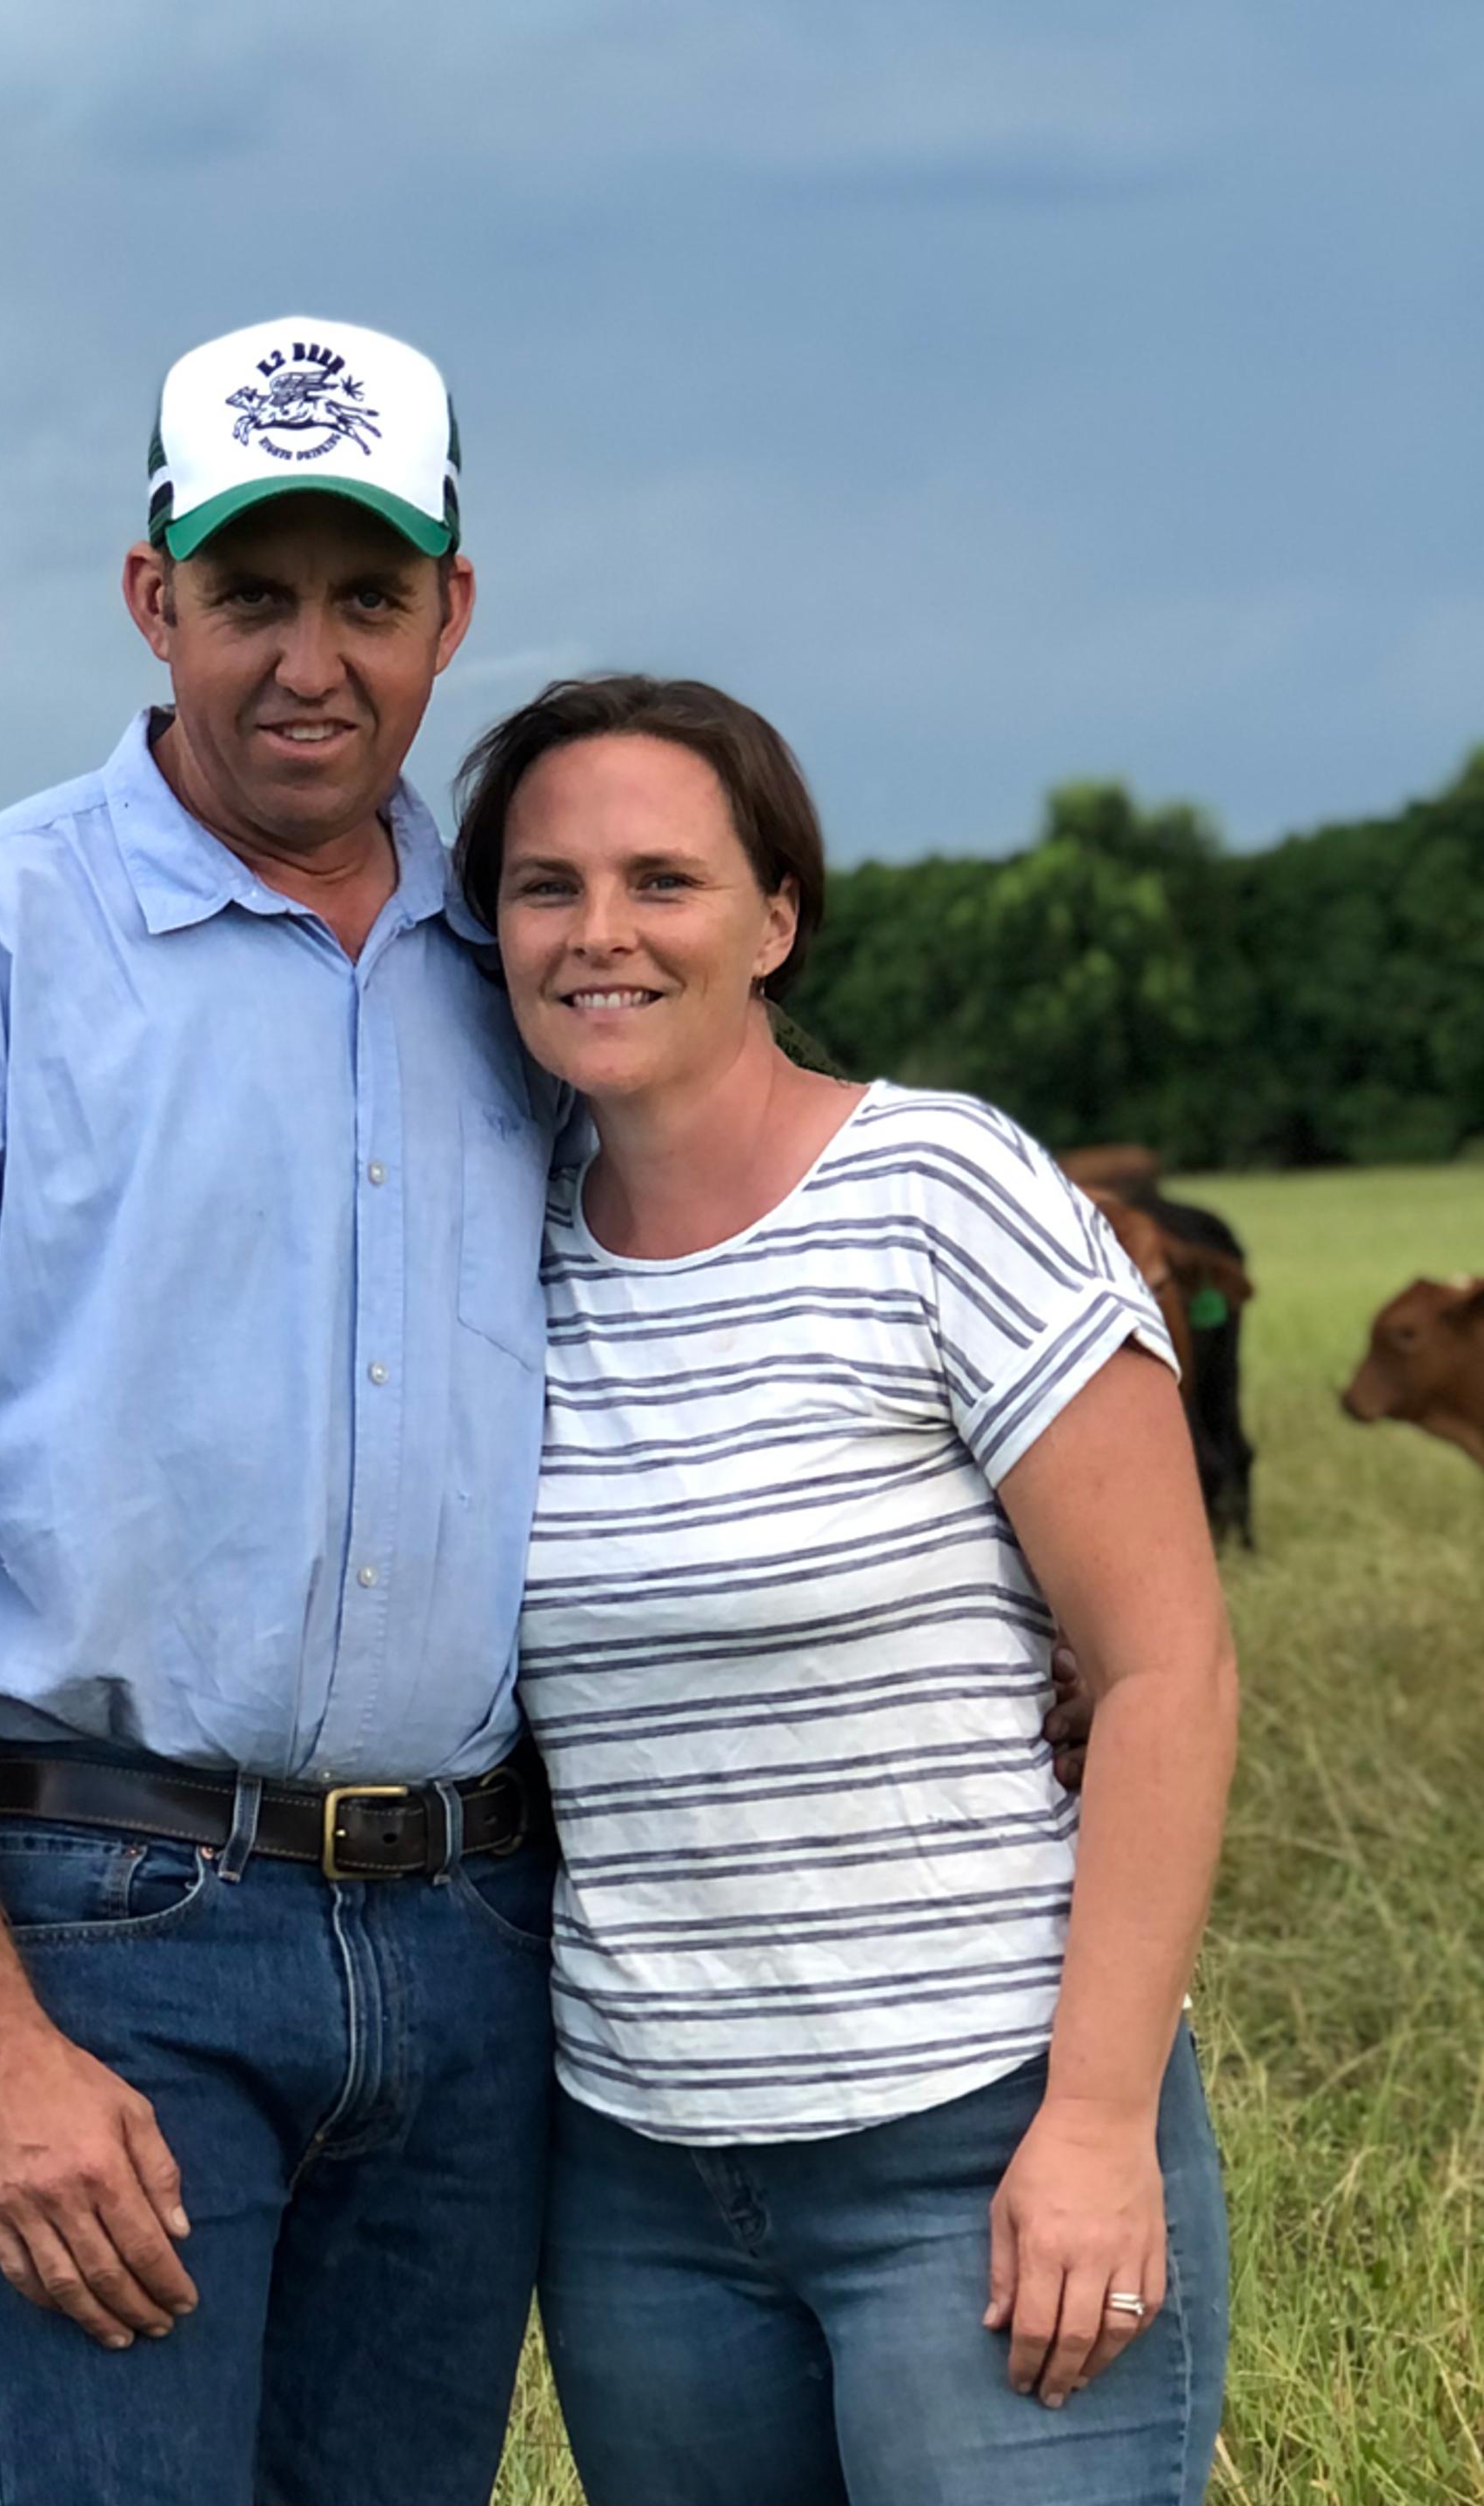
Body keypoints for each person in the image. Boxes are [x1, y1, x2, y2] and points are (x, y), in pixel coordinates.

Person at [0, 317, 562, 2503]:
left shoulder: (538, 972)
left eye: (369, 599)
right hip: (119, 1934)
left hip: (475, 1938)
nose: (310, 660)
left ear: (453, 610)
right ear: (147, 593)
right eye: (249, 594)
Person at [455, 675, 1234, 2504]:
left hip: (977, 2142)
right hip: (641, 2179)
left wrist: (1100, 2122)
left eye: (666, 879)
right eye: (545, 886)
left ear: (776, 916)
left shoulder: (939, 1190)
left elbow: (1167, 1672)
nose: (601, 934)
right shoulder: (497, 1251)